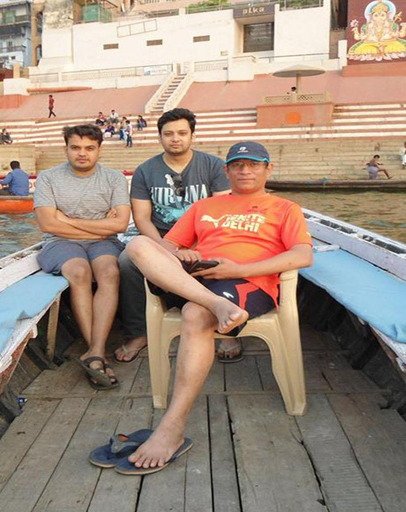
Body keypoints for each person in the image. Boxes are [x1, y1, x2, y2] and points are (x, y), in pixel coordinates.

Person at [115, 141, 313, 473]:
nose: (245, 170)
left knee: (194, 314)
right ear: (227, 171)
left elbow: (302, 256)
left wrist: (238, 270)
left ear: (268, 169)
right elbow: (167, 245)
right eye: (238, 165)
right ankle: (215, 304)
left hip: (245, 282)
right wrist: (181, 254)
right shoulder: (205, 207)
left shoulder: (284, 208)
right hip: (196, 279)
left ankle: (172, 428)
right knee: (138, 244)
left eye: (253, 164)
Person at [114, 108, 231, 366]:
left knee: (225, 257)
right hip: (161, 238)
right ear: (160, 137)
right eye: (168, 134)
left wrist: (198, 245)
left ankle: (228, 331)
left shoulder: (212, 166)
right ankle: (137, 333)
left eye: (181, 133)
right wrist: (168, 249)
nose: (175, 139)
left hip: (205, 236)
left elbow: (220, 212)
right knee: (126, 262)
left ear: (192, 135)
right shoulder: (146, 171)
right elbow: (142, 218)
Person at [34, 124, 130, 389]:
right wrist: (98, 225)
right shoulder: (49, 178)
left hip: (103, 244)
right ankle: (97, 352)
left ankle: (95, 353)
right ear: (66, 148)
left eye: (89, 148)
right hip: (60, 243)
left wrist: (67, 219)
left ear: (99, 149)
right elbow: (48, 225)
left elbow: (121, 225)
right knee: (79, 272)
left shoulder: (113, 179)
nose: (82, 154)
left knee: (110, 272)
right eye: (75, 148)